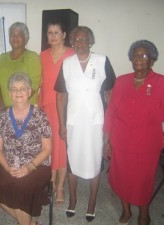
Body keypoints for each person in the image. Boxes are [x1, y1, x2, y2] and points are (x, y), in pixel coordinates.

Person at [54, 26, 116, 222]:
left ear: (90, 41)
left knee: (95, 161)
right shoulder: (67, 64)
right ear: (72, 42)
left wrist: (109, 125)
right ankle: (72, 200)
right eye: (76, 39)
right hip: (73, 122)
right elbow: (61, 97)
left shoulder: (102, 61)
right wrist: (61, 124)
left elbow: (110, 94)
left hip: (95, 122)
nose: (80, 42)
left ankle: (91, 202)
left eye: (84, 39)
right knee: (73, 160)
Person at [103, 40, 164, 225]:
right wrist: (106, 142)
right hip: (120, 142)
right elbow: (111, 112)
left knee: (142, 182)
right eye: (135, 55)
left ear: (152, 60)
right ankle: (126, 211)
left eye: (144, 55)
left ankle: (143, 214)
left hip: (147, 145)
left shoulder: (161, 83)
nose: (138, 58)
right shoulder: (121, 81)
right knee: (121, 178)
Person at [0, 72, 52, 225]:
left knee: (21, 189)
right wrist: (8, 167)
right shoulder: (3, 116)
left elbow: (47, 149)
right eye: (14, 89)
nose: (18, 93)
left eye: (22, 89)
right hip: (8, 164)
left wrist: (29, 167)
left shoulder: (41, 116)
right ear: (9, 93)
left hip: (37, 165)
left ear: (29, 92)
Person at [39, 20, 75, 206]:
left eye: (56, 32)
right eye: (49, 33)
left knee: (61, 146)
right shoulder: (43, 55)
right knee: (49, 146)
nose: (52, 36)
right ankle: (50, 182)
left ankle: (60, 186)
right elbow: (40, 83)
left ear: (64, 35)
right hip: (45, 107)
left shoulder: (72, 54)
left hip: (64, 108)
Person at [0, 22, 41, 109]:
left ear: (26, 39)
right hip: (6, 109)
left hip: (27, 110)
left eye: (19, 35)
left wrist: (16, 107)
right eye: (12, 35)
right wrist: (2, 106)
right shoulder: (2, 57)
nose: (15, 38)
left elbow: (34, 85)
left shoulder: (32, 57)